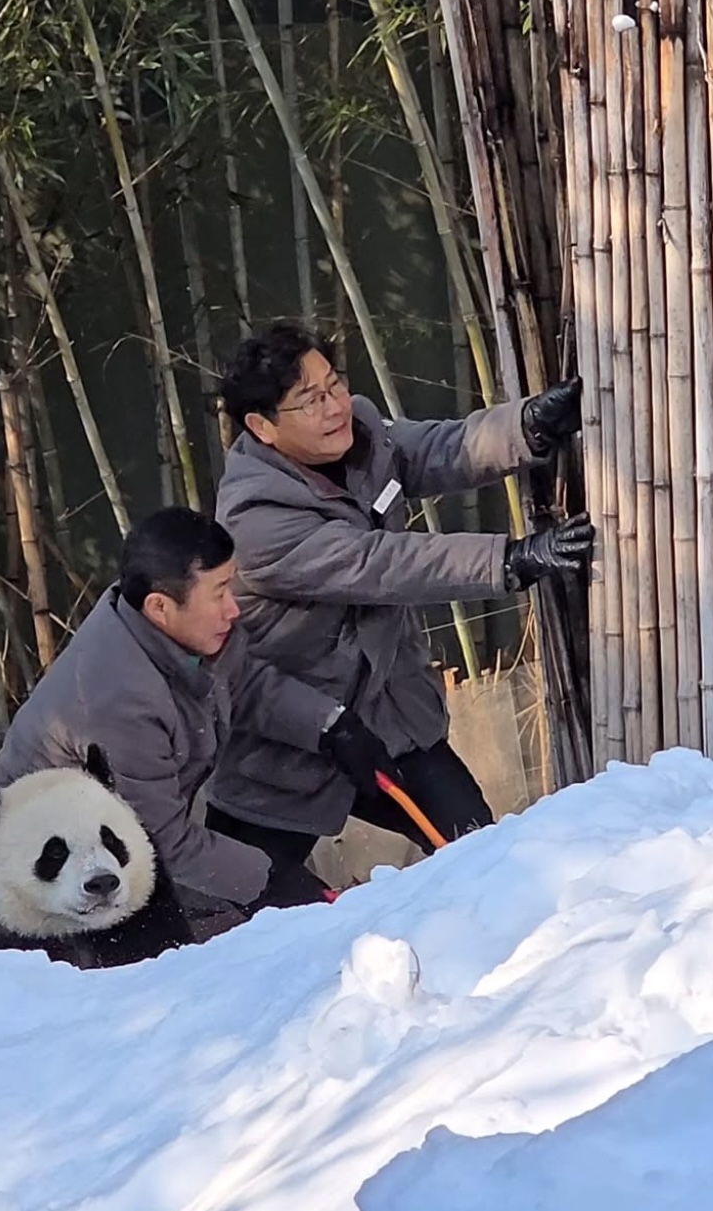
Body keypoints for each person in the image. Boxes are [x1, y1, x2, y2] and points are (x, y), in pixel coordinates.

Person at [204, 318, 594, 881]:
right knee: (252, 906)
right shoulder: (255, 519)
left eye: (334, 383)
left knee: (478, 854)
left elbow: (435, 449)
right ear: (262, 427)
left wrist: (526, 427)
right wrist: (509, 561)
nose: (335, 405)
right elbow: (381, 563)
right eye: (310, 400)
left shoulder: (359, 428)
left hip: (389, 714)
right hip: (289, 738)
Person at [0, 507, 346, 929]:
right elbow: (165, 840)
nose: (233, 609)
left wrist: (331, 725)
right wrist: (270, 879)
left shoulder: (163, 623)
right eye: (219, 592)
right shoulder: (117, 700)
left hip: (112, 861)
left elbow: (244, 682)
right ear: (161, 606)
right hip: (43, 896)